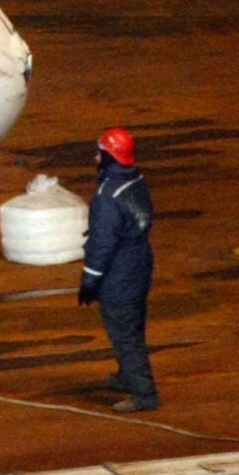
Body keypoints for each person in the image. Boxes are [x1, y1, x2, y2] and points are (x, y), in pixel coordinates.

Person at [78, 126, 158, 412]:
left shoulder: (107, 196)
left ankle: (144, 394)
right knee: (133, 325)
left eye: (100, 153)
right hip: (140, 267)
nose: (96, 157)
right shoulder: (136, 181)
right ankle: (127, 375)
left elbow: (102, 243)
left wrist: (90, 279)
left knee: (125, 334)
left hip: (119, 276)